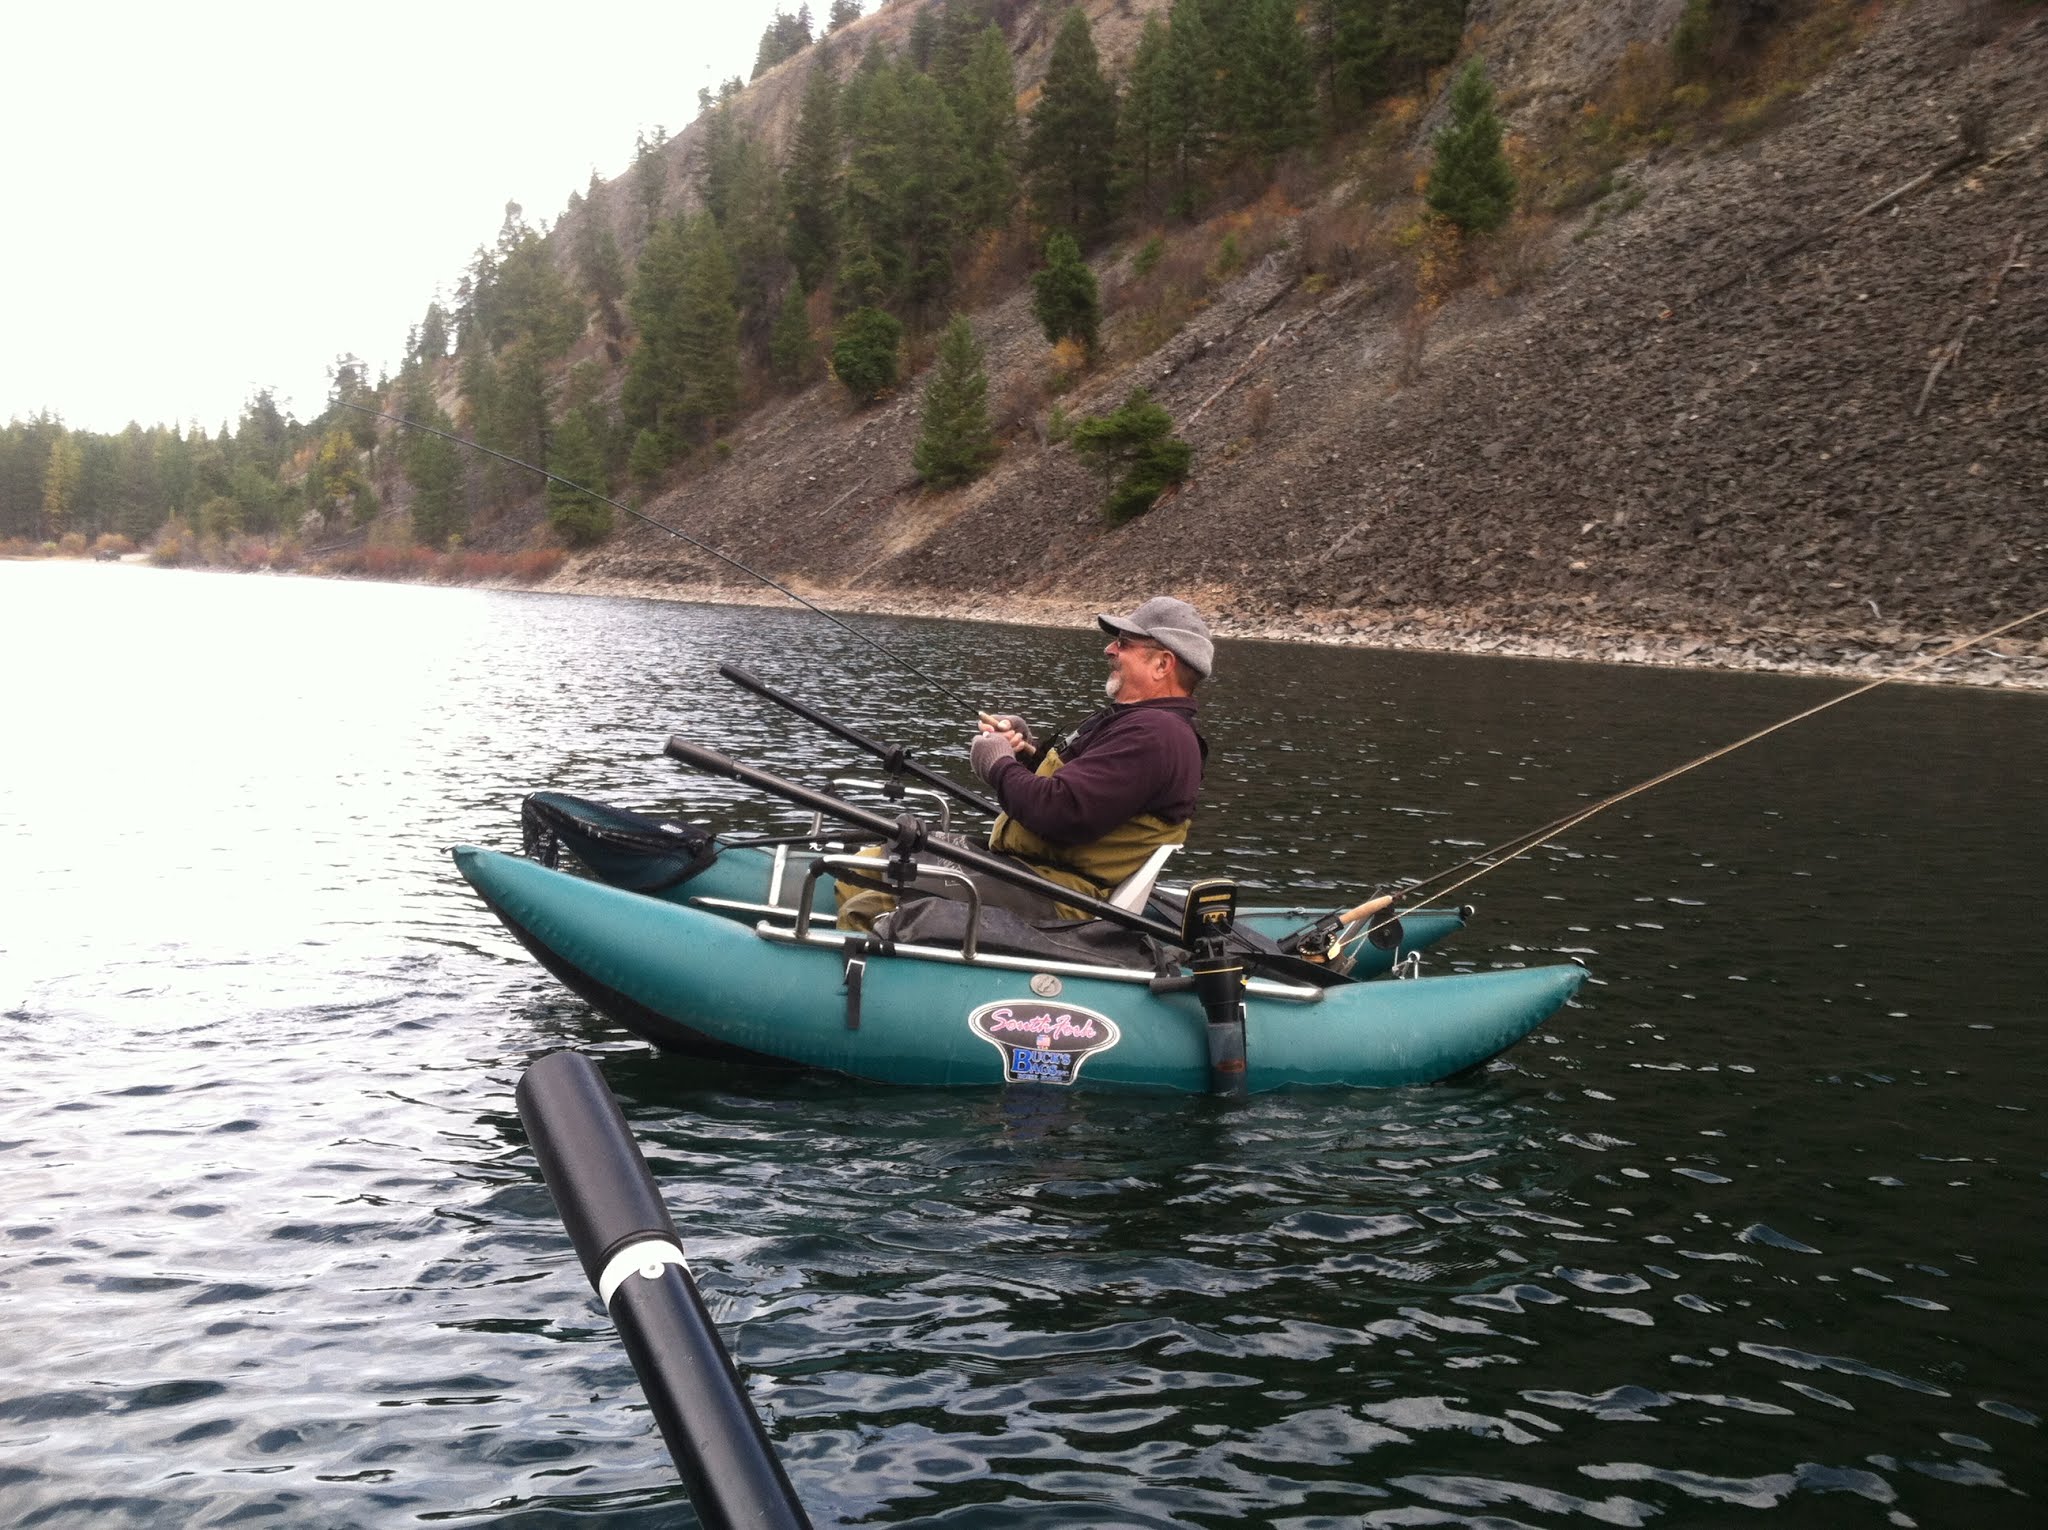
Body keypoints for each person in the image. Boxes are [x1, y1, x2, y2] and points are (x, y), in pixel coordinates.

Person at [835, 596, 1213, 929]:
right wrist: (1026, 756)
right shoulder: (1144, 724)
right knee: (872, 859)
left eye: (1124, 643)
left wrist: (996, 765)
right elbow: (1087, 797)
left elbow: (1059, 812)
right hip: (1040, 874)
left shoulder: (1155, 735)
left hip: (1064, 895)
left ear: (1163, 664)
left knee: (873, 888)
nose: (1110, 650)